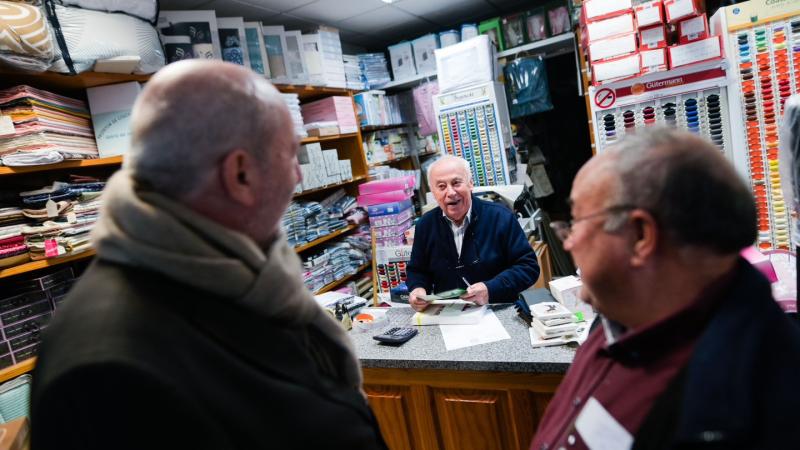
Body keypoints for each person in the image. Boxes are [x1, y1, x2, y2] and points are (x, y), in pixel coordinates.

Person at [30, 60, 387, 450]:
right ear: (240, 174)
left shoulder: (243, 272)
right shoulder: (106, 374)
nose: (299, 175)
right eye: (290, 155)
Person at [530, 128, 800, 450]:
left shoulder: (751, 403)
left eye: (576, 221)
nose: (568, 242)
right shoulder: (618, 317)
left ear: (640, 235)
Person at [407, 155, 539, 311]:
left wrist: (490, 289)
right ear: (433, 192)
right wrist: (418, 289)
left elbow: (528, 267)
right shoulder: (425, 225)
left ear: (470, 183)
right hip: (449, 314)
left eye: (456, 183)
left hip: (497, 309)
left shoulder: (500, 217)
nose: (450, 192)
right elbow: (417, 270)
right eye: (441, 186)